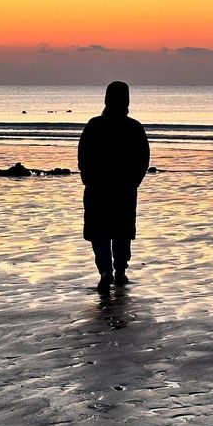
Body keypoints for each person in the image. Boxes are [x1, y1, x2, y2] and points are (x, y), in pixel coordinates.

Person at [78, 82, 150, 292]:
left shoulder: (94, 125)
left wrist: (88, 179)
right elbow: (143, 159)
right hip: (123, 189)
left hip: (98, 188)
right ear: (127, 102)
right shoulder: (134, 127)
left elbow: (82, 156)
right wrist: (133, 182)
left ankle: (105, 271)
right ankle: (119, 271)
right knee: (121, 232)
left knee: (99, 232)